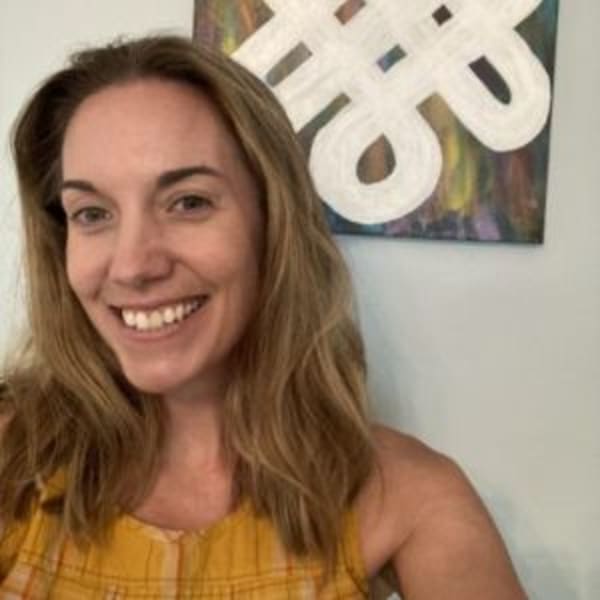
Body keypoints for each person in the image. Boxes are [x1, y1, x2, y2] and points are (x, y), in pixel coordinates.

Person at [0, 35, 525, 598]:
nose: (131, 266)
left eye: (189, 202)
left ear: (272, 223)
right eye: (92, 213)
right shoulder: (13, 460)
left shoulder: (409, 497)